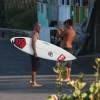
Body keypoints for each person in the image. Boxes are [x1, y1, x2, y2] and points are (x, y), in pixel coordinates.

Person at [29, 22, 42, 87]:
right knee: (35, 68)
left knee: (35, 67)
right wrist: (35, 52)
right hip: (34, 52)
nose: (40, 28)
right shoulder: (35, 33)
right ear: (36, 27)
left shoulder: (32, 32)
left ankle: (32, 81)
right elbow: (33, 43)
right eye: (39, 27)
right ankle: (34, 83)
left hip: (32, 52)